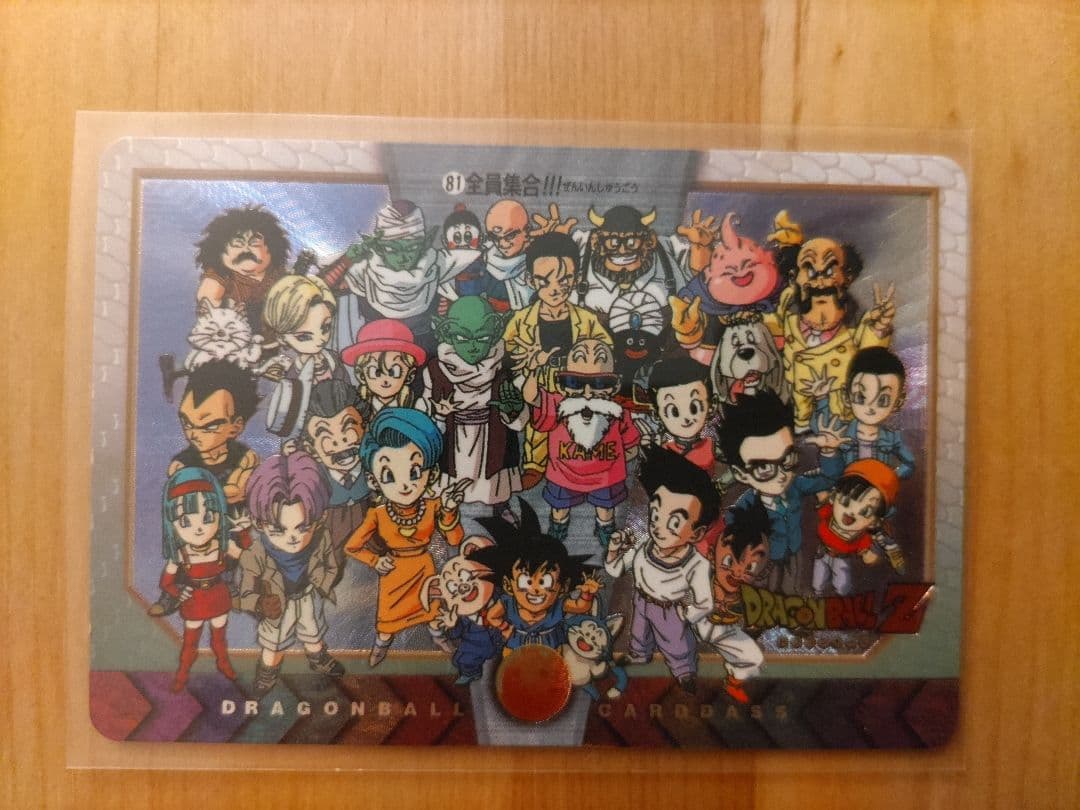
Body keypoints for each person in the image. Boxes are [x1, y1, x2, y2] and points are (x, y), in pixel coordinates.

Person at [605, 449, 763, 702]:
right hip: (641, 602)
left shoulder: (695, 564)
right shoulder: (643, 547)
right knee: (639, 634)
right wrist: (613, 552)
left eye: (675, 522)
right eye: (656, 513)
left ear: (697, 534)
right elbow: (615, 569)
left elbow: (704, 602)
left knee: (676, 647)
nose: (659, 525)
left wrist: (686, 614)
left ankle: (684, 674)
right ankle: (639, 656)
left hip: (670, 611)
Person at [344, 409, 469, 667]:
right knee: (387, 621)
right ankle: (381, 646)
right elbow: (352, 546)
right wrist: (375, 561)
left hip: (425, 569)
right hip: (394, 575)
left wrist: (449, 510)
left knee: (433, 611)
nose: (404, 485)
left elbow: (455, 539)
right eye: (389, 475)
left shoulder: (433, 506)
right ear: (373, 480)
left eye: (414, 472)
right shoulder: (378, 514)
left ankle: (439, 637)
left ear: (430, 472)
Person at [503, 232, 612, 489]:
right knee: (539, 423)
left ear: (575, 279)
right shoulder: (522, 319)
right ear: (531, 279)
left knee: (575, 423)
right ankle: (535, 464)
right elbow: (508, 350)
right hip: (540, 382)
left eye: (564, 280)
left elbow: (605, 347)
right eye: (544, 281)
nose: (554, 289)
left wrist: (587, 361)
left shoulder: (586, 319)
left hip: (576, 383)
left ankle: (574, 461)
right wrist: (526, 363)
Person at [234, 452, 345, 697]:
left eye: (303, 526)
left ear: (319, 517)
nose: (293, 538)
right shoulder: (256, 553)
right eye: (278, 529)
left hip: (307, 595)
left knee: (313, 632)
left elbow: (331, 564)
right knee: (273, 643)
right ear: (259, 523)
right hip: (276, 604)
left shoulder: (321, 538)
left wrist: (324, 583)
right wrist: (261, 604)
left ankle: (318, 658)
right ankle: (267, 673)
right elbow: (244, 595)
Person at [521, 338, 640, 546]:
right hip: (563, 475)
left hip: (606, 478)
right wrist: (532, 369)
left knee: (606, 511)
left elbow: (631, 444)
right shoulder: (557, 405)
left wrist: (619, 459)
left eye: (600, 383)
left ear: (615, 385)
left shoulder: (618, 412)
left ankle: (605, 532)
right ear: (562, 383)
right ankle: (557, 532)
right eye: (574, 382)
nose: (587, 393)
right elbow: (532, 397)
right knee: (559, 510)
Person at [157, 467, 243, 692]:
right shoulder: (180, 554)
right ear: (172, 524)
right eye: (185, 522)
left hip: (218, 596)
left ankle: (223, 664)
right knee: (190, 643)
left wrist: (243, 532)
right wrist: (178, 592)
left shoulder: (222, 546)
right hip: (194, 601)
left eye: (207, 518)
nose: (199, 528)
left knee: (219, 640)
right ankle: (182, 674)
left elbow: (243, 551)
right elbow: (166, 583)